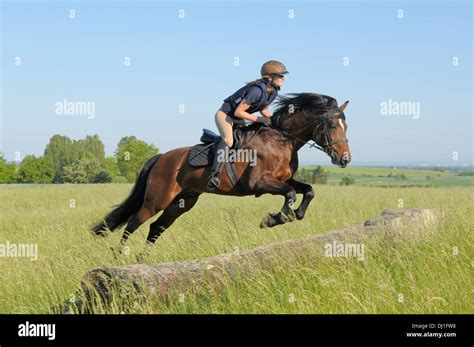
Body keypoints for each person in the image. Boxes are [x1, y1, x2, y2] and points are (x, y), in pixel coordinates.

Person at [207, 60, 289, 190]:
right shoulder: (256, 90)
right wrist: (259, 119)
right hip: (225, 115)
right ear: (270, 76)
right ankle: (214, 175)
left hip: (239, 118)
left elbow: (265, 110)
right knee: (228, 140)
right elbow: (238, 112)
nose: (283, 78)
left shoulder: (273, 91)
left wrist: (274, 121)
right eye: (280, 75)